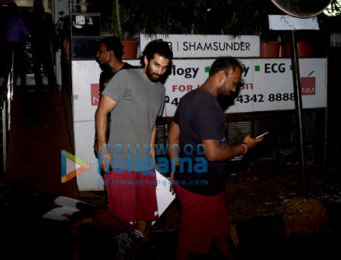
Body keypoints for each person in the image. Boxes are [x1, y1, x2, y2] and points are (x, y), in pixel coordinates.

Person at [167, 57, 263, 259]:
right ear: (221, 75)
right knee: (190, 245)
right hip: (201, 190)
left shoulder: (189, 98)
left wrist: (175, 168)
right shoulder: (209, 106)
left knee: (220, 231)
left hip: (201, 184)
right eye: (234, 82)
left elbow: (173, 135)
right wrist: (244, 147)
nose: (235, 89)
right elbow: (212, 153)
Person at [95, 39, 173, 242]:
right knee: (123, 221)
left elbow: (152, 123)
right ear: (146, 59)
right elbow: (102, 111)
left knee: (147, 215)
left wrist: (152, 154)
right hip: (120, 161)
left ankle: (137, 250)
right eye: (156, 65)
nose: (160, 71)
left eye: (165, 67)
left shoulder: (160, 90)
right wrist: (103, 148)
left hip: (144, 162)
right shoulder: (125, 77)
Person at [93, 36, 137, 156]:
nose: (98, 55)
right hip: (109, 137)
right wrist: (98, 137)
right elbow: (101, 110)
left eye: (100, 51)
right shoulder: (104, 76)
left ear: (110, 53)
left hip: (130, 139)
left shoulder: (133, 73)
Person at [28, 0, 57, 89]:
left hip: (38, 44)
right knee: (47, 67)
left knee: (40, 67)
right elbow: (52, 31)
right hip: (43, 44)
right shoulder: (46, 16)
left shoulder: (32, 16)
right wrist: (54, 43)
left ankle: (40, 85)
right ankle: (51, 85)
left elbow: (29, 29)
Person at [5, 2, 30, 88]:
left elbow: (26, 32)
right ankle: (19, 85)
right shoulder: (16, 20)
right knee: (18, 66)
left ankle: (15, 85)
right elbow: (26, 32)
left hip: (13, 45)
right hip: (14, 45)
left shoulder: (9, 20)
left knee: (14, 66)